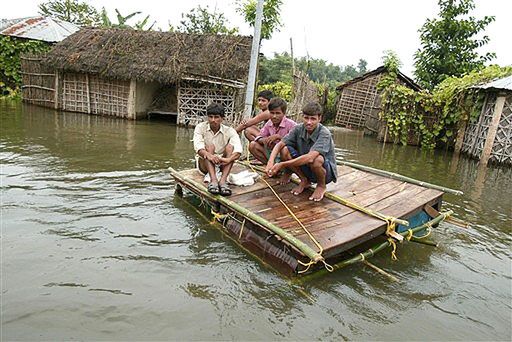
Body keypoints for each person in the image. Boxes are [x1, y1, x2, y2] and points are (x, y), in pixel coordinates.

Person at [265, 102, 337, 201]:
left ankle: (321, 185)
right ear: (302, 117)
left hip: (324, 173)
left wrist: (282, 164)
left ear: (319, 119)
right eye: (306, 118)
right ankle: (304, 180)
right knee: (284, 150)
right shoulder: (298, 128)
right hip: (306, 168)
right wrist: (271, 161)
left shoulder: (324, 133)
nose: (309, 122)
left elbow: (310, 157)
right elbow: (280, 144)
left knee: (317, 160)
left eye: (313, 119)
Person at [193, 103, 242, 196]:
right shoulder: (200, 127)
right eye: (210, 117)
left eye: (216, 117)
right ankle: (213, 180)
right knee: (209, 147)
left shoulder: (230, 131)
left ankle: (223, 181)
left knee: (230, 147)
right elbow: (198, 147)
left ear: (222, 118)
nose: (213, 120)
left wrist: (228, 159)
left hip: (222, 163)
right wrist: (210, 156)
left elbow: (238, 150)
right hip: (204, 164)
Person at [249, 97, 296, 167]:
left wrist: (279, 138)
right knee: (253, 145)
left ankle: (285, 169)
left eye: (277, 113)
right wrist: (264, 140)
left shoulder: (291, 124)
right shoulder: (269, 123)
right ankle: (271, 166)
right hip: (271, 152)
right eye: (272, 113)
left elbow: (296, 143)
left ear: (284, 113)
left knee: (284, 150)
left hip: (285, 154)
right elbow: (259, 136)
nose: (274, 116)